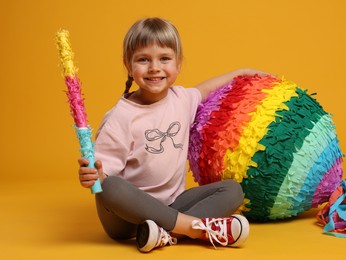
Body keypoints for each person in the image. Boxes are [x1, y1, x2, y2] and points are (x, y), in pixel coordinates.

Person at [78, 17, 268, 253]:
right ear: (128, 65)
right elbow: (102, 175)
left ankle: (163, 234)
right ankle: (193, 228)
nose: (154, 68)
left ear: (178, 64)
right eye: (143, 59)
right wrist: (94, 176)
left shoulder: (182, 99)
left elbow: (210, 87)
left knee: (233, 190)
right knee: (111, 187)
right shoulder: (121, 116)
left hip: (172, 204)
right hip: (126, 219)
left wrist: (244, 72)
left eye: (164, 59)